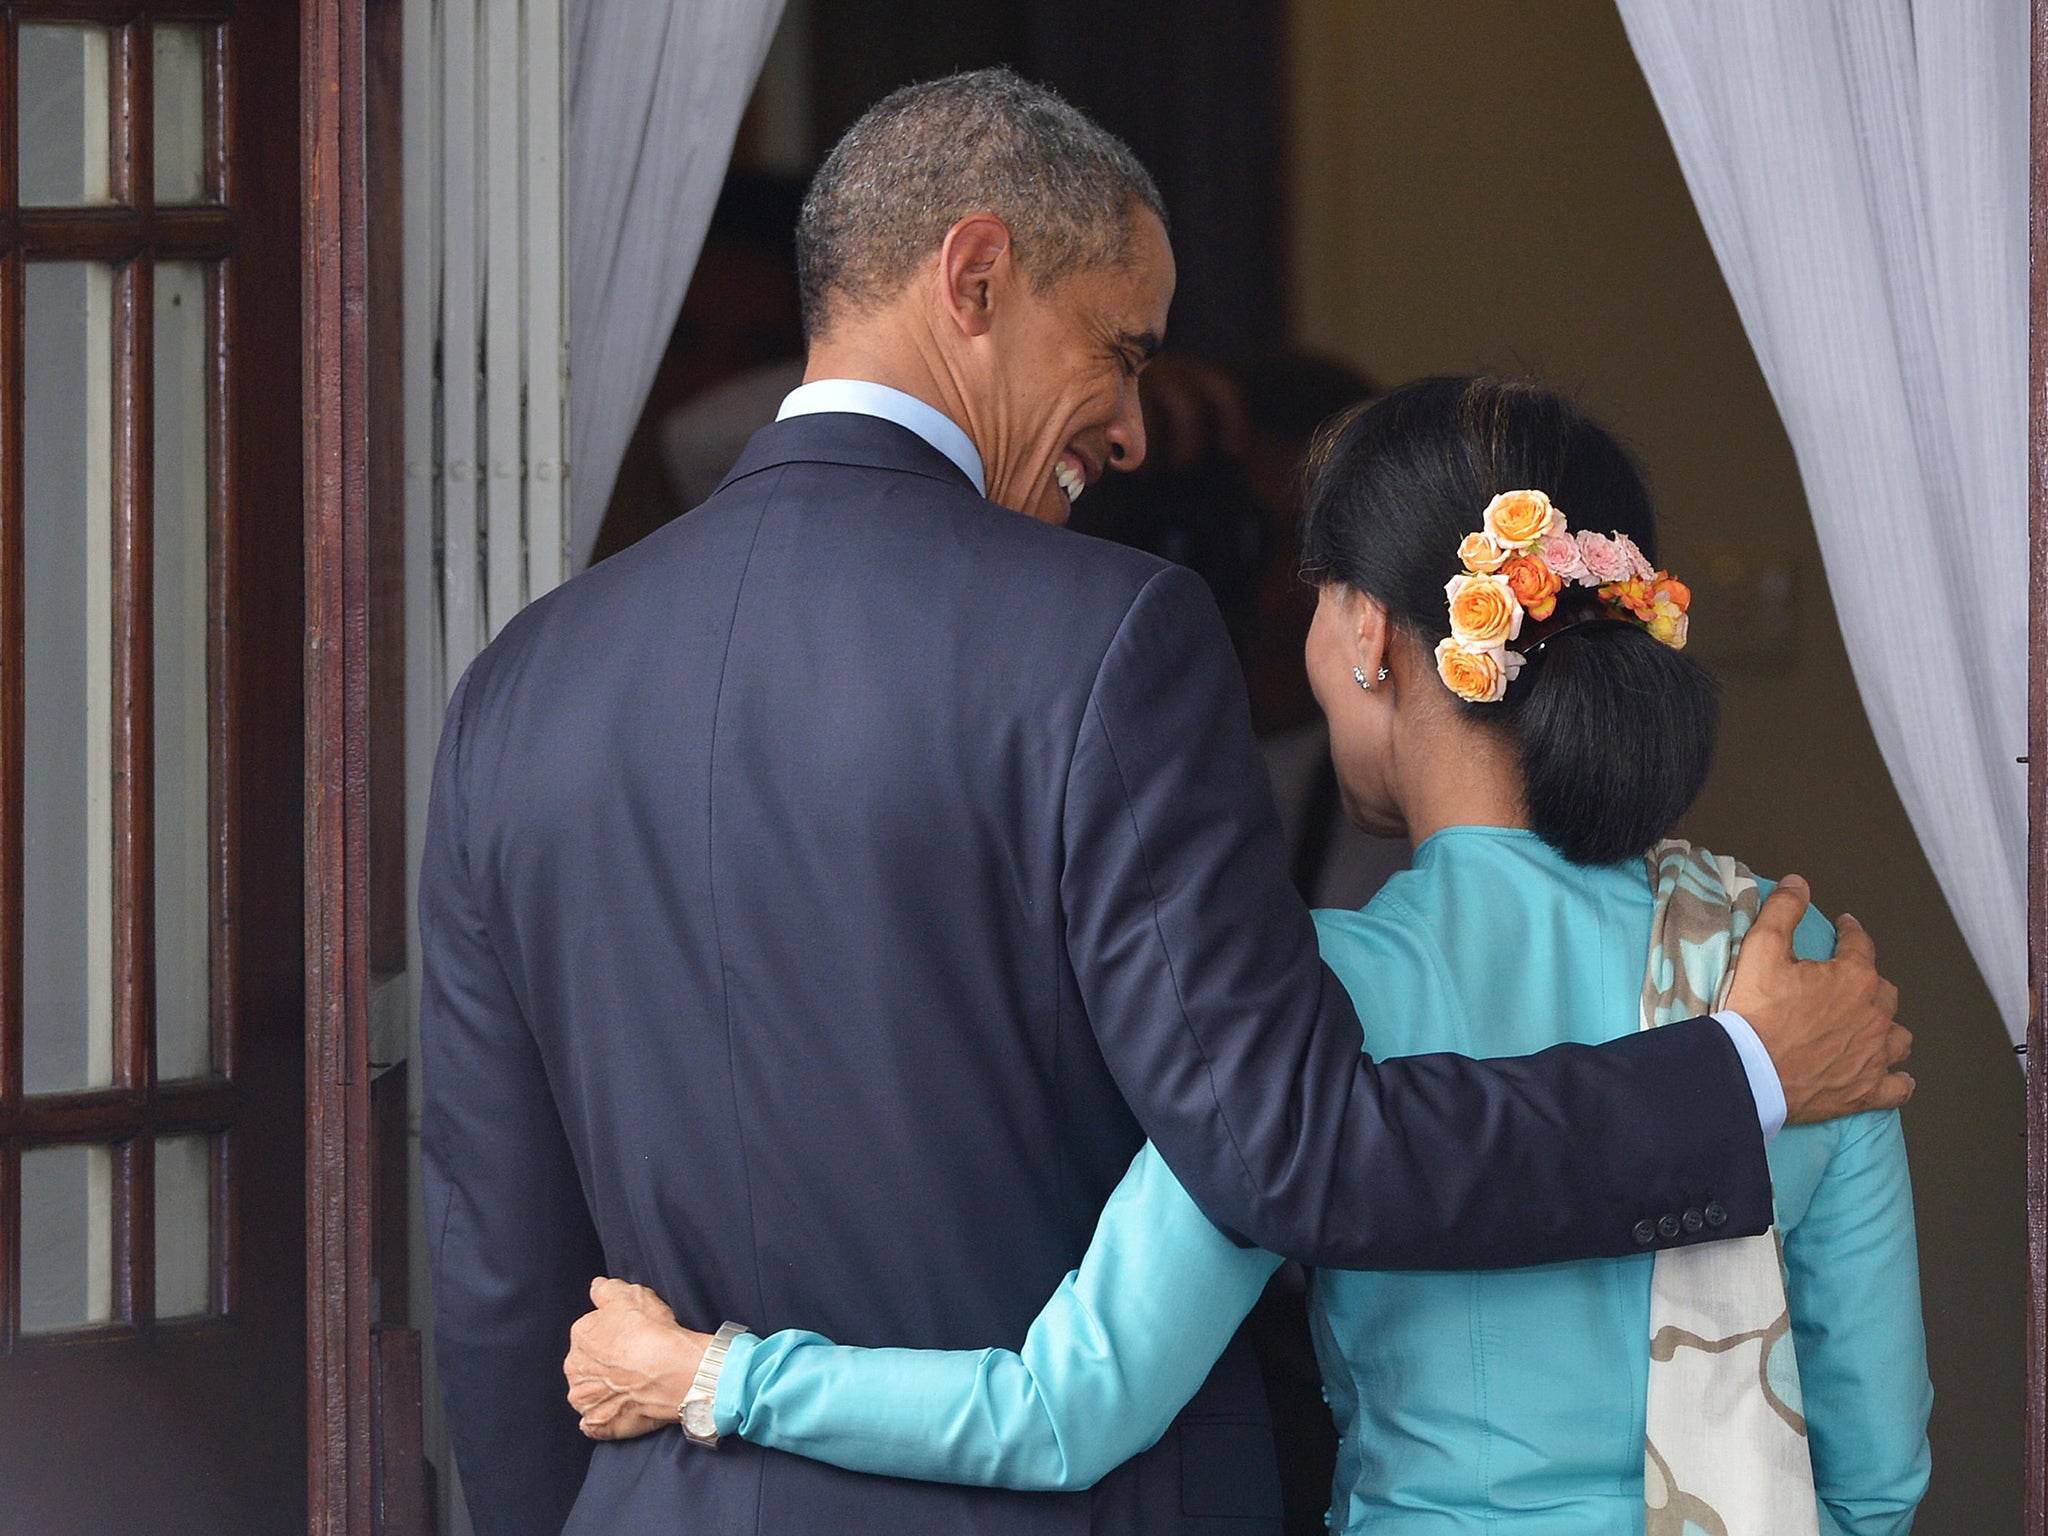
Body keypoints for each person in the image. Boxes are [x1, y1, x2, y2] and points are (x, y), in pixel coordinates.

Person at [420, 72, 1909, 1536]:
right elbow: (1294, 1149)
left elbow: (498, 1273)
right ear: (977, 275)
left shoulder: (512, 697)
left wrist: (667, 1432)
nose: (1134, 431)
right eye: (1120, 350)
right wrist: (1739, 1078)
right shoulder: (1104, 638)